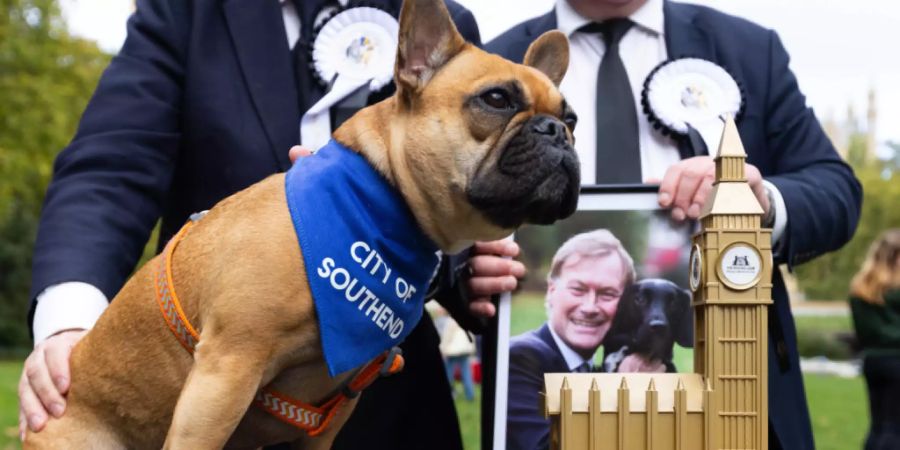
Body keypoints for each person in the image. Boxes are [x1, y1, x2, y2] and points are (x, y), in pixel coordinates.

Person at [18, 1, 528, 449]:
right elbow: (113, 165)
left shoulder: (442, 22)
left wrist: (464, 266)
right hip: (195, 392)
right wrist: (69, 323)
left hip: (382, 405)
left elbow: (460, 178)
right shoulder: (187, 9)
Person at [487, 1, 862, 449]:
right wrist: (465, 260)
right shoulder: (494, 59)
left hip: (735, 414)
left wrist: (761, 201)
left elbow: (834, 188)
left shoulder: (747, 48)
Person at [506, 229, 656, 450]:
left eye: (607, 294)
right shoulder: (519, 357)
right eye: (578, 289)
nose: (590, 307)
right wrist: (625, 393)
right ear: (551, 291)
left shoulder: (602, 365)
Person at [849, 229, 900, 450]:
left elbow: (865, 332)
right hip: (897, 362)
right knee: (895, 428)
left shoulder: (862, 287)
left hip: (873, 362)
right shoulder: (896, 290)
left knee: (879, 425)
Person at [440, 314, 477, 401]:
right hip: (465, 350)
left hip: (452, 351)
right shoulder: (468, 318)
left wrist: (443, 349)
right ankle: (470, 395)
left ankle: (446, 394)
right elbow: (471, 335)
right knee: (466, 372)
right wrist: (472, 348)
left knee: (448, 373)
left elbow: (447, 336)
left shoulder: (452, 320)